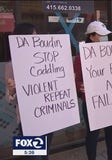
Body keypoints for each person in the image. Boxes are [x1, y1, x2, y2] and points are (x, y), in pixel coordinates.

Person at [5, 22, 53, 160]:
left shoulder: (46, 60)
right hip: (27, 120)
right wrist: (12, 90)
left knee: (45, 154)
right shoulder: (11, 65)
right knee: (28, 156)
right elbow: (10, 99)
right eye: (33, 37)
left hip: (49, 115)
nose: (36, 40)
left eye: (36, 36)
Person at [73, 21, 112, 160]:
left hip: (109, 100)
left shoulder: (110, 54)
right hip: (92, 103)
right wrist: (81, 87)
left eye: (105, 35)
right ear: (91, 37)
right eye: (101, 35)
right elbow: (76, 79)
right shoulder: (82, 57)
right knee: (93, 134)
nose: (104, 38)